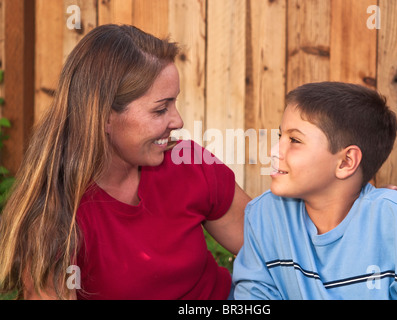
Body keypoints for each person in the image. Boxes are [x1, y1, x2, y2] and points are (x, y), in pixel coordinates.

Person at [0, 24, 250, 300]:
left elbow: (274, 252)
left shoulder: (188, 163)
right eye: (160, 109)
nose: (177, 121)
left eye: (174, 103)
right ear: (104, 117)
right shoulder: (57, 217)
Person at [232, 82, 397, 300]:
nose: (273, 151)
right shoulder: (264, 216)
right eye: (280, 136)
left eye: (295, 140)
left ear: (346, 162)